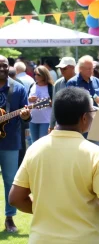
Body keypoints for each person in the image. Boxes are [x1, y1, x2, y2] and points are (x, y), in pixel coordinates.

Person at [9, 87, 99, 244]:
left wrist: (48, 211)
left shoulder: (35, 149)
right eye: (92, 113)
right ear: (84, 118)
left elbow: (15, 198)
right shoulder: (94, 154)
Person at [0, 55, 31, 232]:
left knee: (10, 181)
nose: (2, 69)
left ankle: (9, 218)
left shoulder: (18, 88)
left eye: (5, 65)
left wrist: (26, 115)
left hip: (10, 141)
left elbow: (27, 115)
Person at [66, 55, 99, 151]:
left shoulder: (97, 81)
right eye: (88, 69)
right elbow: (69, 103)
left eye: (92, 68)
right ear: (80, 69)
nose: (91, 71)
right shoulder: (72, 83)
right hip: (83, 120)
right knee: (85, 148)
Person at [48, 57, 76, 133]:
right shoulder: (58, 84)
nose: (62, 71)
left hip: (77, 124)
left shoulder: (80, 82)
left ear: (73, 68)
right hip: (61, 124)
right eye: (60, 68)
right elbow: (55, 105)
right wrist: (51, 125)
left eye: (64, 68)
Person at [28, 66, 53, 143]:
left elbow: (54, 103)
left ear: (44, 75)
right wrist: (30, 99)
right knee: (34, 143)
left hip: (46, 120)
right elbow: (27, 100)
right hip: (33, 120)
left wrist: (41, 102)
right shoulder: (32, 86)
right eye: (35, 74)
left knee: (43, 143)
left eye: (38, 74)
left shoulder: (51, 87)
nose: (36, 76)